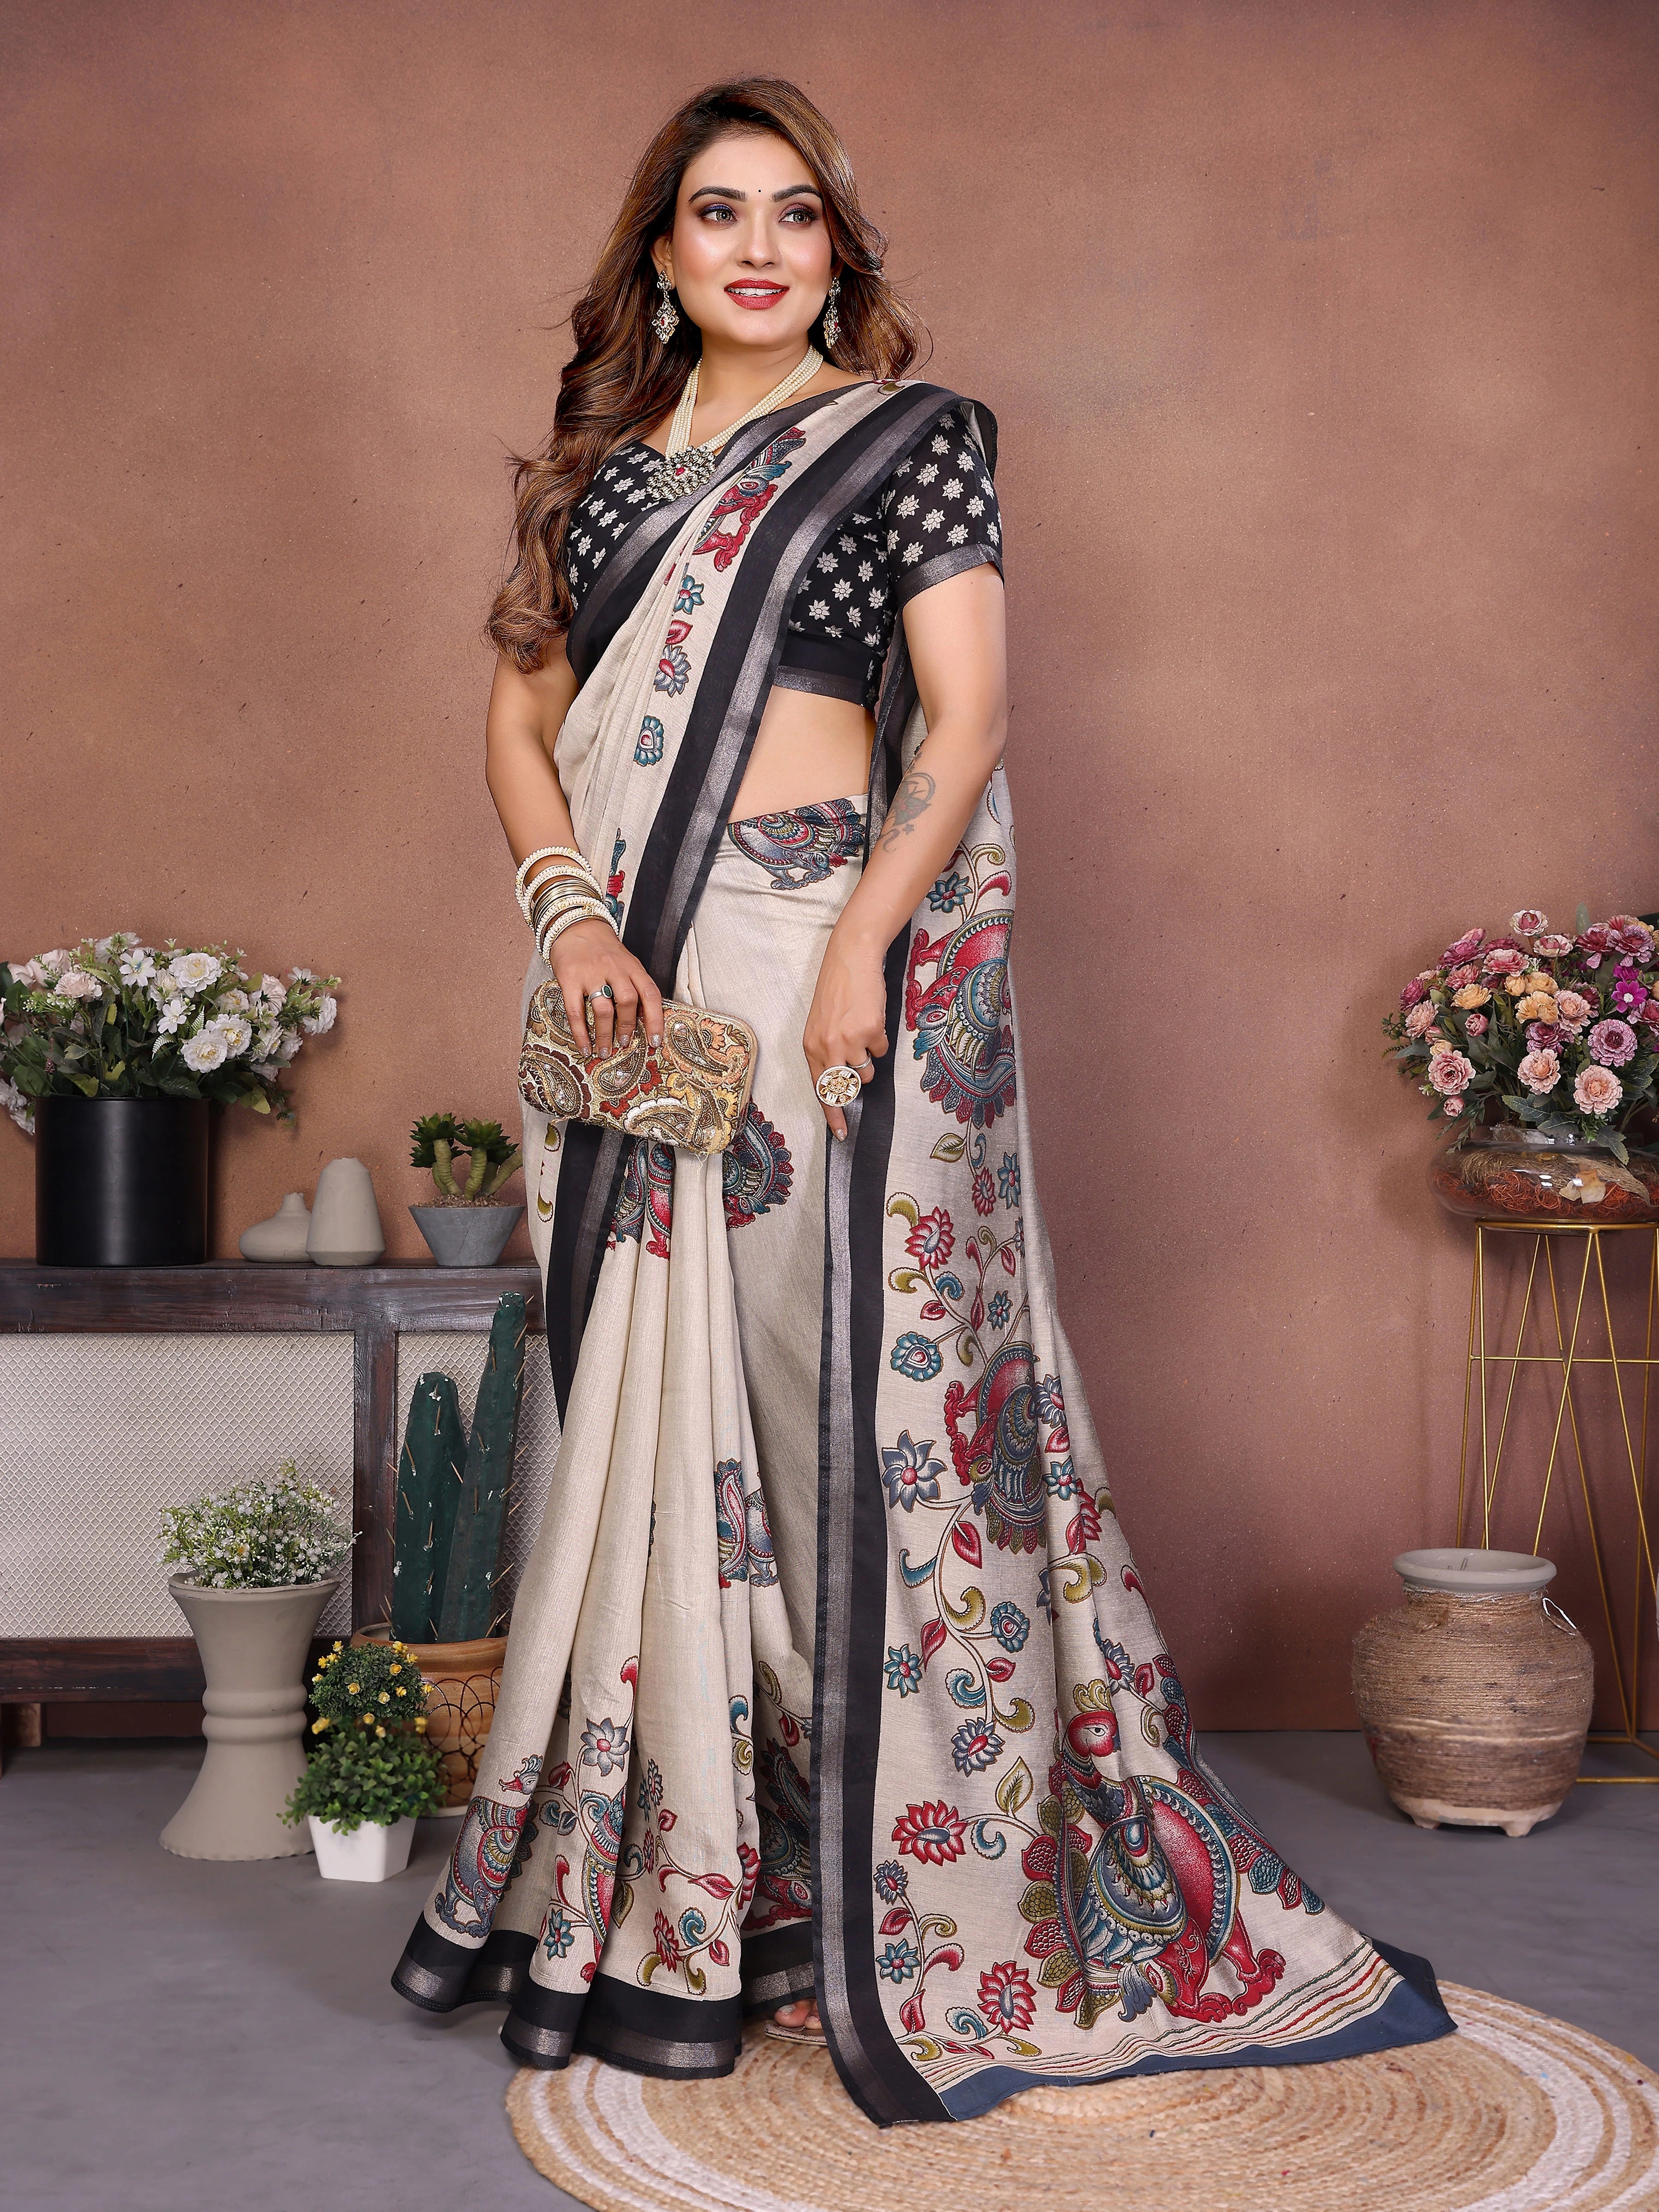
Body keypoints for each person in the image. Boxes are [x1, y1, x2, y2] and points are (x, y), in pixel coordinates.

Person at [392, 76, 1453, 2125]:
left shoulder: (909, 440)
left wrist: (867, 944)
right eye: (719, 213)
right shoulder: (597, 479)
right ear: (660, 256)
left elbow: (964, 720)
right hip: (627, 998)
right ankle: (718, 1872)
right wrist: (573, 920)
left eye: (795, 214)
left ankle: (890, 1865)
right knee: (654, 1418)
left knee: (837, 1413)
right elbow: (521, 721)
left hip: (814, 965)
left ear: (837, 252)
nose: (759, 247)